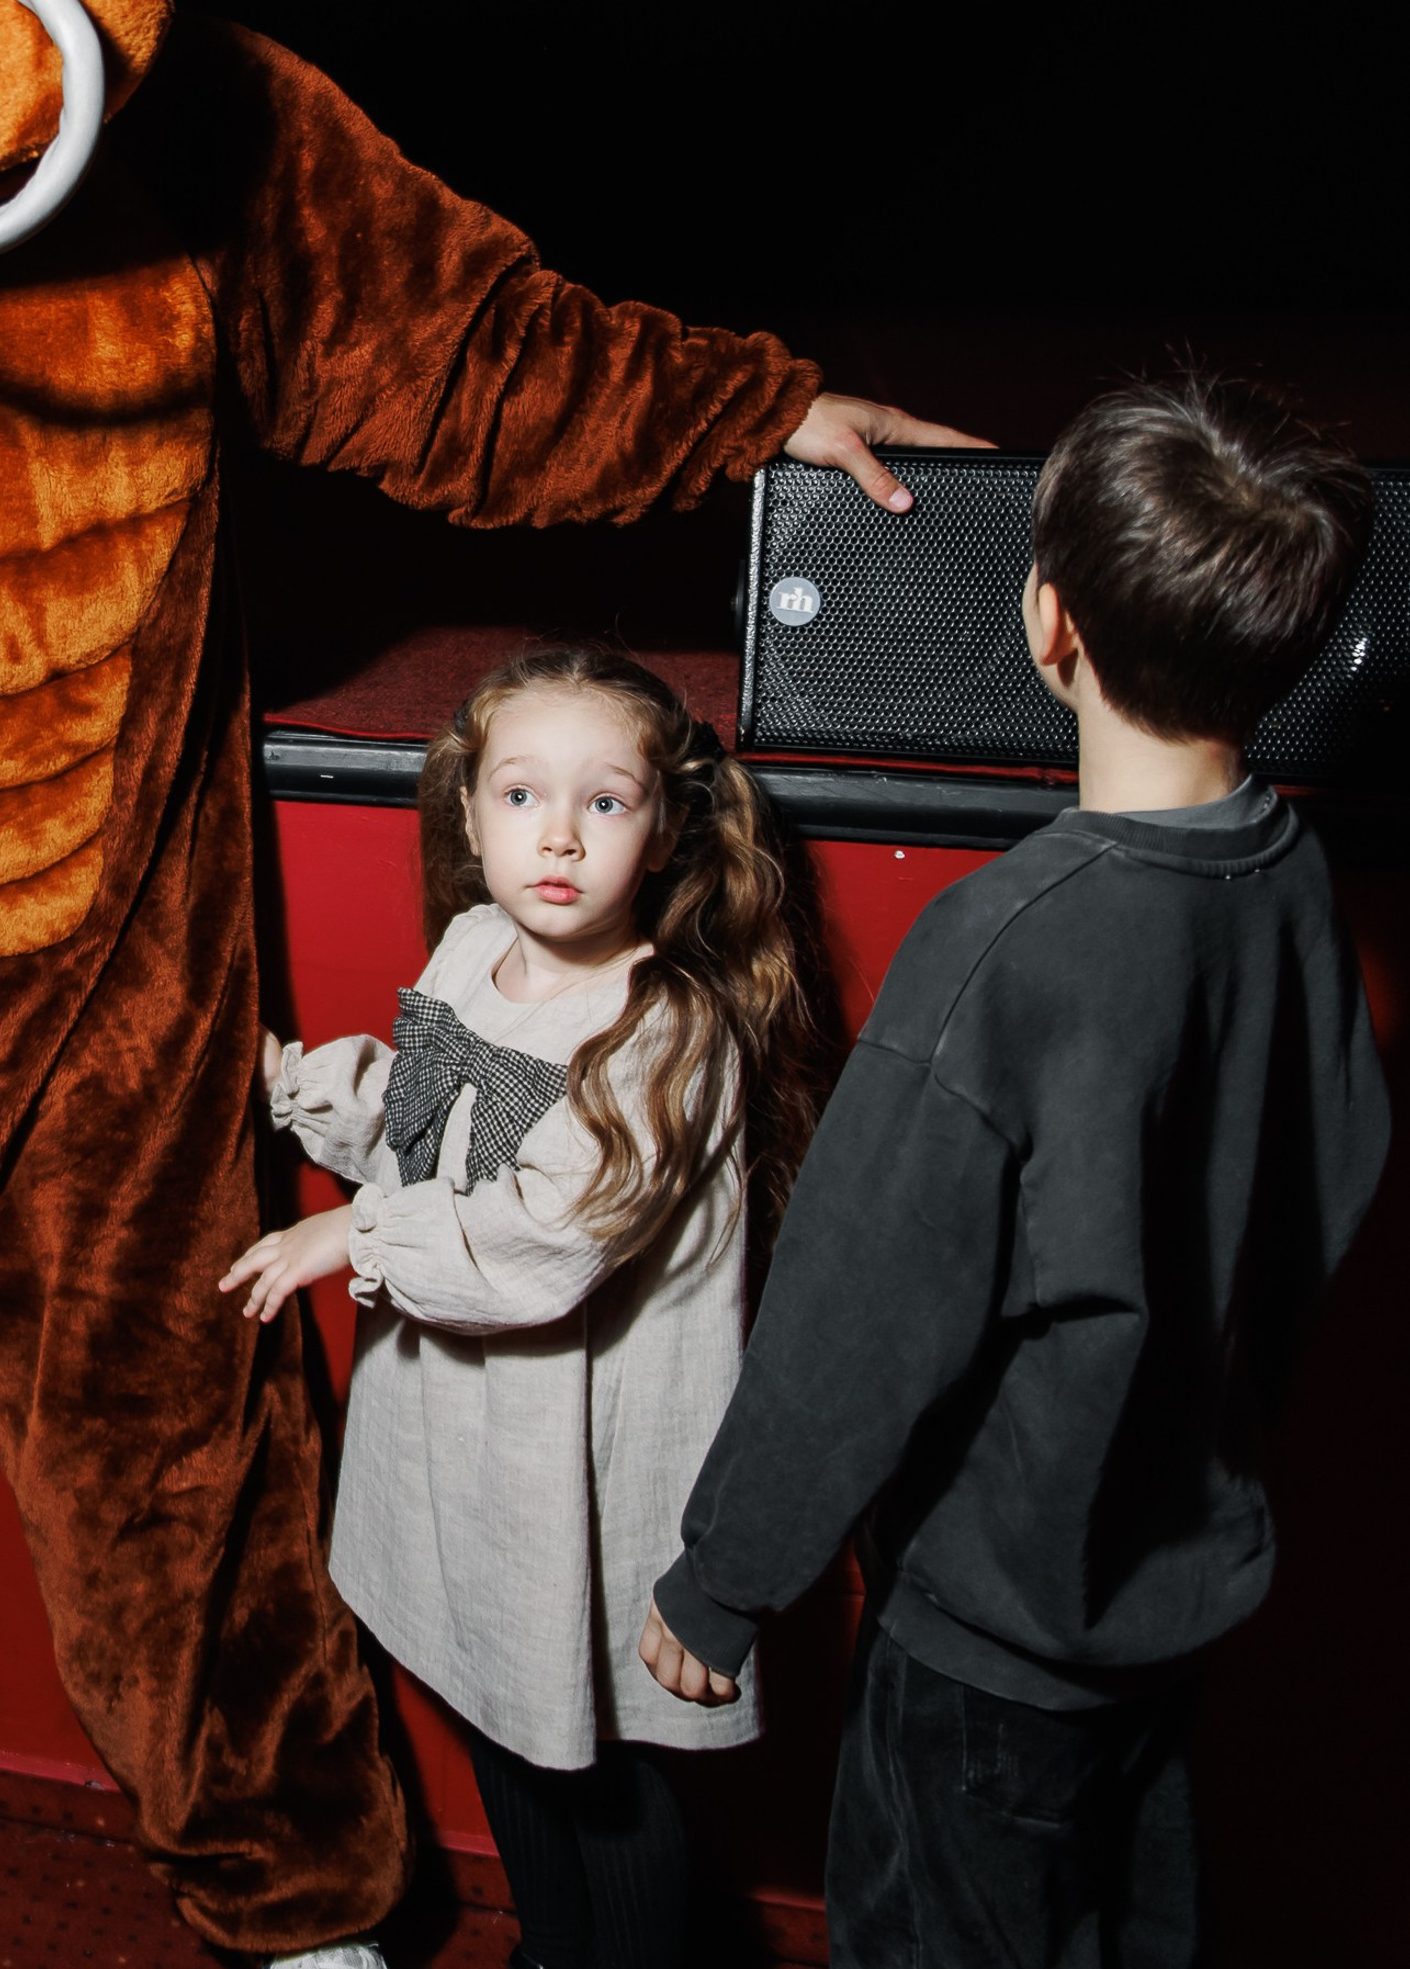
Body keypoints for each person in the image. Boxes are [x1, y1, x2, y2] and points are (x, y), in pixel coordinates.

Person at [641, 375, 1394, 1969]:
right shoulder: (1294, 874)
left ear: (1051, 626)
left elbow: (860, 1311)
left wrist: (724, 1581)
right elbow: (1324, 1194)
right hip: (1173, 1594)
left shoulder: (1002, 949)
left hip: (992, 1642)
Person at [221, 645, 824, 1969]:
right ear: (468, 811)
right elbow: (429, 1121)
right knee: (496, 1714)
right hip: (449, 1434)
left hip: (568, 1465)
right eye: (518, 796)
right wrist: (289, 1084)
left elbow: (549, 1235)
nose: (556, 836)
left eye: (603, 803)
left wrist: (350, 1229)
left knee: (592, 1767)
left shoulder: (665, 1024)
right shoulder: (477, 940)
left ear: (666, 828)